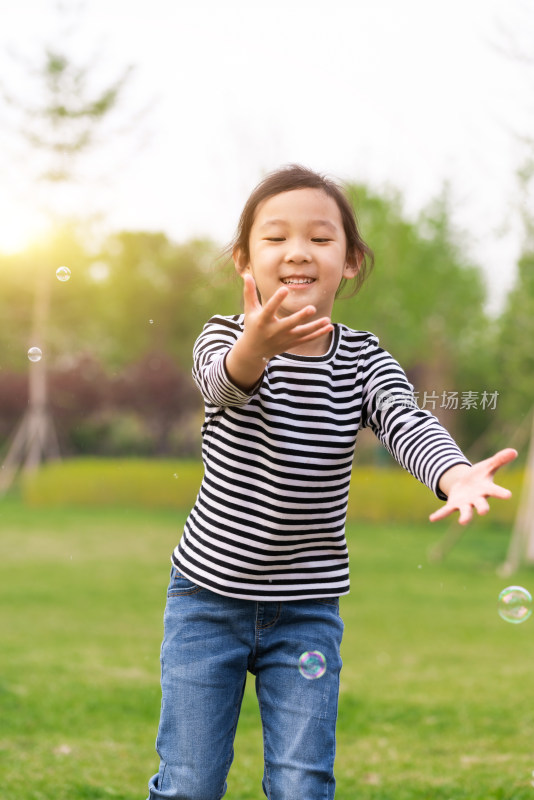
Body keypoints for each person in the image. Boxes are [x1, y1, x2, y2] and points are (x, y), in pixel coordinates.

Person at [147, 165, 516, 800]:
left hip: (307, 612)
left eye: (321, 238)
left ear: (349, 262)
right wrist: (254, 347)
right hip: (207, 602)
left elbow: (405, 419)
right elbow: (222, 383)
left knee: (303, 782)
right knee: (189, 781)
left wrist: (453, 474)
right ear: (245, 259)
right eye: (275, 238)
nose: (298, 251)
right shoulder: (224, 339)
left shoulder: (364, 359)